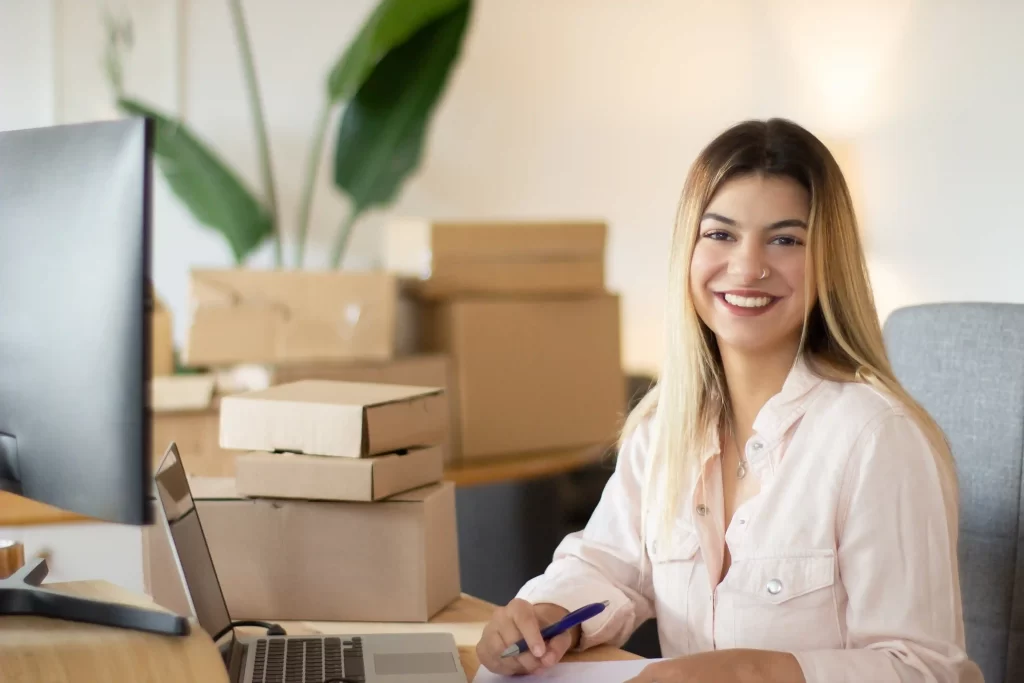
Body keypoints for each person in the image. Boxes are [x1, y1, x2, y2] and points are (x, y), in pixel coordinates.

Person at [474, 118, 984, 683]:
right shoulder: (663, 427)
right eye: (720, 234)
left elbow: (923, 670)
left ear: (828, 263)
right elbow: (608, 565)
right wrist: (547, 615)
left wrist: (746, 671)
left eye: (785, 240)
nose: (747, 266)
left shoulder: (876, 438)